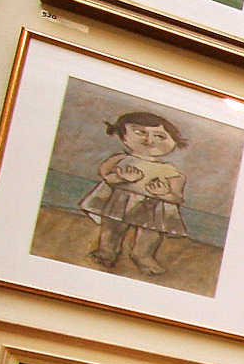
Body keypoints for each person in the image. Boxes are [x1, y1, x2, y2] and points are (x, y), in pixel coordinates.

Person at [78, 110, 192, 278]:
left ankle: (143, 256)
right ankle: (107, 251)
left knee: (150, 234)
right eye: (139, 132)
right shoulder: (119, 159)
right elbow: (105, 175)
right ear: (122, 134)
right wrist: (120, 177)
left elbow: (177, 197)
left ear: (174, 142)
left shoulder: (171, 171)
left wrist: (163, 193)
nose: (149, 140)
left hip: (153, 207)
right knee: (112, 228)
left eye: (160, 136)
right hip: (119, 201)